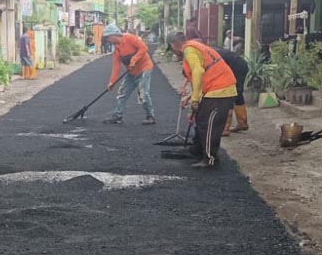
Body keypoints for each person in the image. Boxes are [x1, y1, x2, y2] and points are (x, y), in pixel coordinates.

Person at [167, 30, 237, 169]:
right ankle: (197, 150)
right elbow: (201, 75)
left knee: (209, 125)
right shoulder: (194, 46)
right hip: (213, 88)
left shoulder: (189, 50)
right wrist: (191, 96)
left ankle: (210, 159)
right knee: (201, 119)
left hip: (220, 89)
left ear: (174, 44)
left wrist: (195, 99)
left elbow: (198, 71)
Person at [184, 28, 249, 135]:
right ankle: (242, 122)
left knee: (229, 94)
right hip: (238, 64)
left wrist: (194, 99)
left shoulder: (200, 58)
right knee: (238, 93)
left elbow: (202, 83)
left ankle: (225, 128)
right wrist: (189, 96)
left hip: (235, 66)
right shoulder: (204, 51)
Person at [102, 23, 156, 125]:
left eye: (108, 37)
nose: (108, 40)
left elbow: (144, 48)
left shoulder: (130, 38)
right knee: (122, 92)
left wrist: (134, 59)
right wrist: (112, 82)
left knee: (143, 93)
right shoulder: (117, 50)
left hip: (144, 68)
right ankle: (118, 116)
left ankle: (150, 116)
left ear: (114, 35)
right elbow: (116, 67)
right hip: (131, 72)